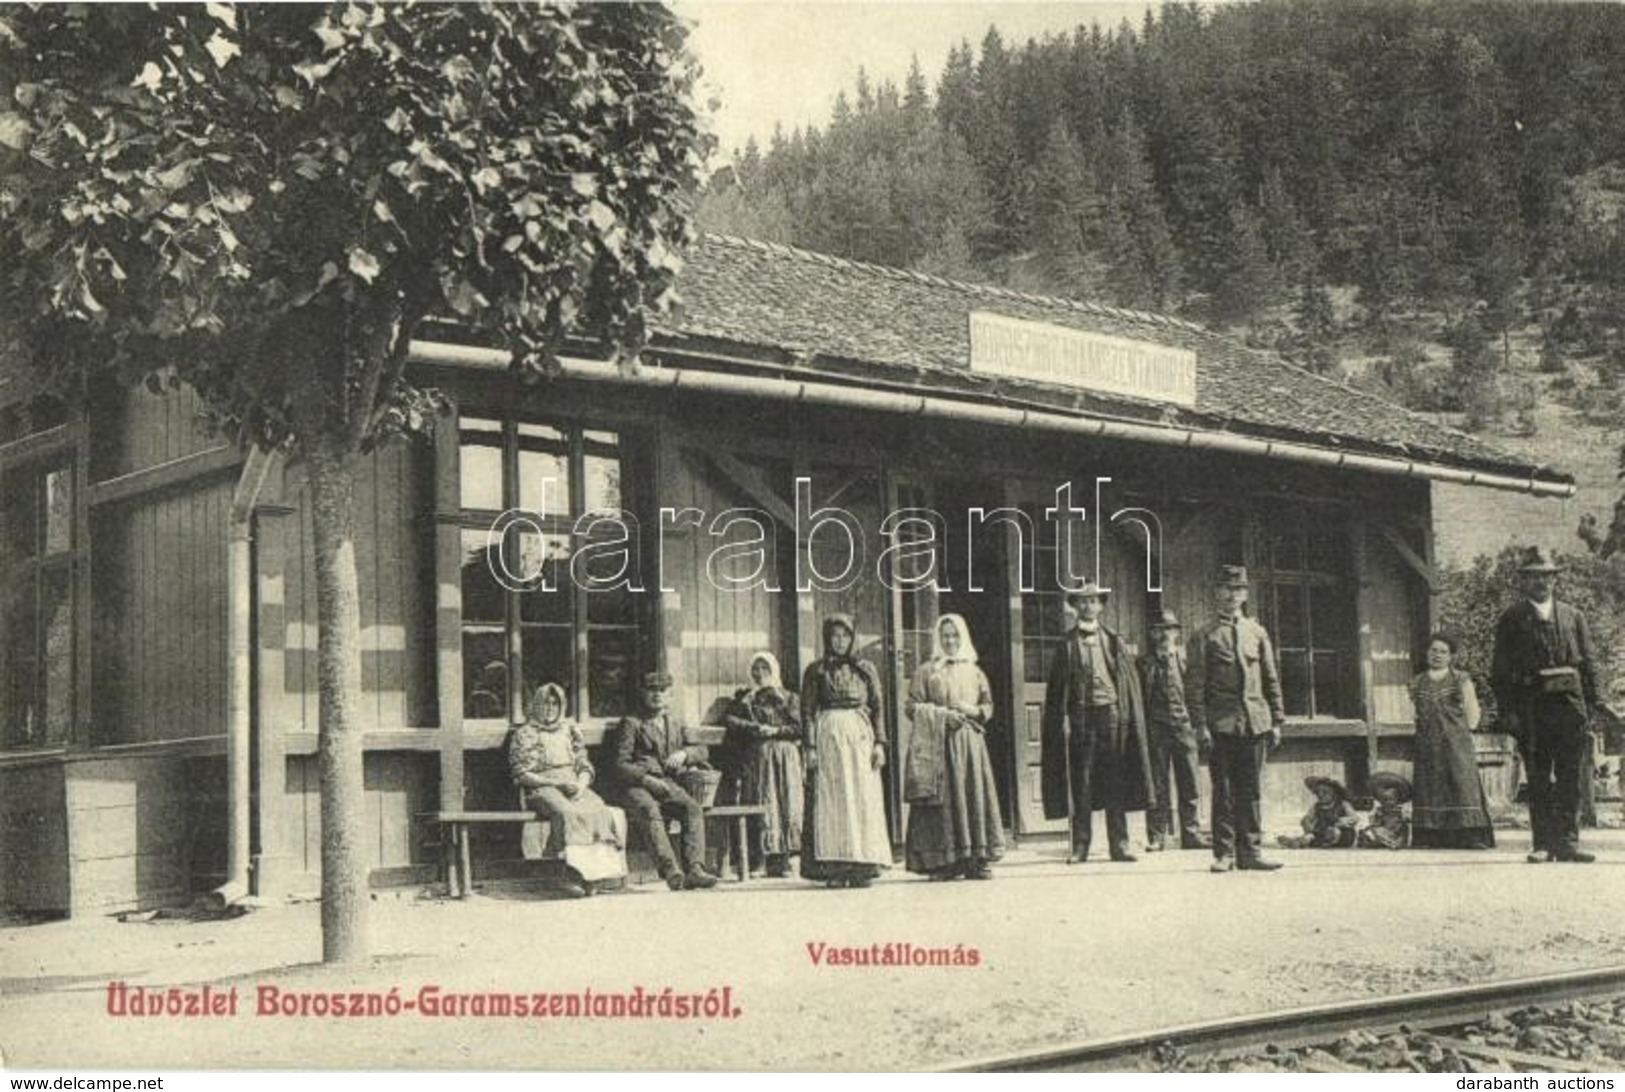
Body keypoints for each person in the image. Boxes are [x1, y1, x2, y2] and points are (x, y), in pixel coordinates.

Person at [1491, 546, 1615, 864]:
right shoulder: (1512, 618)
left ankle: (1568, 842)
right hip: (1532, 708)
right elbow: (1500, 671)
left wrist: (1597, 702)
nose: (1541, 582)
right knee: (1538, 777)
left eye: (1546, 576)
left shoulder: (1574, 616)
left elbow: (1589, 663)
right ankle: (1543, 843)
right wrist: (1509, 712)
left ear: (1555, 580)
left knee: (1571, 776)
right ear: (1524, 581)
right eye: (1533, 576)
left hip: (1570, 708)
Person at [1040, 584, 1156, 863]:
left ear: (1101, 606)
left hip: (1112, 716)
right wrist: (1062, 720)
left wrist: (1125, 716)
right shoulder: (1066, 644)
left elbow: (1127, 684)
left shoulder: (1113, 640)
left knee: (1115, 779)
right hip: (1081, 718)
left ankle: (1120, 845)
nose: (1088, 606)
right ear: (1075, 606)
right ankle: (1081, 846)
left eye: (1093, 601)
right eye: (1082, 601)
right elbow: (1057, 691)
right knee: (1083, 781)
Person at [1186, 565, 1287, 873]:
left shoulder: (1257, 632)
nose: (1232, 595)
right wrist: (1200, 724)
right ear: (1216, 593)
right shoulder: (1204, 635)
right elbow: (1195, 686)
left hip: (1255, 721)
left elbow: (1270, 677)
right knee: (1225, 790)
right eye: (1226, 589)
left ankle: (1251, 852)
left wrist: (1278, 719)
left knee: (1252, 789)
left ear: (1245, 594)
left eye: (1238, 590)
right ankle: (1224, 853)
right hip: (1221, 724)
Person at [903, 614, 1006, 880]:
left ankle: (974, 859)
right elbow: (912, 706)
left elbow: (988, 706)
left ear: (963, 638)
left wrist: (973, 710)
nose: (950, 641)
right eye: (945, 636)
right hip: (938, 745)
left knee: (971, 796)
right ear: (938, 639)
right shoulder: (927, 671)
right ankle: (944, 862)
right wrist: (941, 715)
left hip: (970, 745)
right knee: (944, 802)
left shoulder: (975, 670)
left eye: (955, 635)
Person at [506, 683, 628, 897]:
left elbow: (583, 764)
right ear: (536, 704)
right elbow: (522, 773)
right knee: (567, 813)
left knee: (599, 810)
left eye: (555, 703)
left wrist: (581, 784)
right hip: (542, 786)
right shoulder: (526, 733)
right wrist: (555, 784)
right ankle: (569, 874)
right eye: (545, 703)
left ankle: (592, 876)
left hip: (573, 784)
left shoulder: (569, 730)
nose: (550, 708)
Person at [800, 614, 892, 888]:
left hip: (860, 740)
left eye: (845, 636)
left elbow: (878, 707)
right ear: (827, 638)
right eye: (835, 636)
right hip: (829, 738)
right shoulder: (816, 670)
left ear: (852, 639)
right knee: (834, 801)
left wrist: (880, 743)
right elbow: (806, 712)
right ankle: (836, 868)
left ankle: (863, 866)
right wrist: (811, 747)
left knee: (862, 799)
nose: (840, 641)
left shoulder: (865, 669)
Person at [607, 671, 721, 891]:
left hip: (667, 783)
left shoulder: (674, 722)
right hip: (635, 785)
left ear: (670, 695)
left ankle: (695, 869)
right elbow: (619, 765)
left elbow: (702, 750)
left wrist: (685, 755)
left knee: (692, 808)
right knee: (649, 810)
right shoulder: (631, 723)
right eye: (652, 691)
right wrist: (646, 779)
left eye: (662, 691)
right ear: (643, 693)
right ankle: (671, 871)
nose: (657, 696)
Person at [1409, 632, 1495, 849]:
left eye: (1443, 652)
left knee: (1461, 783)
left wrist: (1462, 734)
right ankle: (1430, 835)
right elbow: (1413, 714)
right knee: (1431, 786)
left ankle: (1470, 836)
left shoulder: (1460, 679)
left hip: (1456, 742)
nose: (1437, 655)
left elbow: (1472, 712)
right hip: (1428, 743)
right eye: (1433, 651)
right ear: (1427, 653)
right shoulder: (1417, 682)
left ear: (1451, 657)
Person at [723, 652, 805, 878]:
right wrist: (754, 728)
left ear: (774, 671)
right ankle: (761, 859)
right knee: (763, 802)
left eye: (765, 669)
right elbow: (730, 720)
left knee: (787, 804)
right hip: (758, 758)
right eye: (755, 670)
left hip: (785, 757)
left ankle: (785, 859)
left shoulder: (788, 698)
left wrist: (776, 730)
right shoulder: (745, 699)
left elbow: (801, 728)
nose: (760, 674)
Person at [1137, 610, 1210, 852]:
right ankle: (1157, 836)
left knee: (1189, 781)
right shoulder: (1144, 664)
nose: (1164, 634)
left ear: (1177, 633)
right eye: (1159, 629)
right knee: (1157, 784)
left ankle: (1191, 833)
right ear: (1152, 633)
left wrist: (1199, 724)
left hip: (1184, 727)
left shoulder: (1186, 660)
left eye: (1169, 629)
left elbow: (1199, 693)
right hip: (1156, 729)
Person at [1358, 771, 1412, 850]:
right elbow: (1376, 823)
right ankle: (1378, 842)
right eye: (1384, 800)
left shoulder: (1400, 811)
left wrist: (1405, 818)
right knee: (1375, 830)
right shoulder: (1380, 811)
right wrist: (1374, 821)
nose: (1388, 802)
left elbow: (1406, 821)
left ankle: (1393, 843)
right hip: (1384, 831)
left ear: (1397, 799)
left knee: (1402, 832)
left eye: (1391, 800)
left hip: (1397, 833)